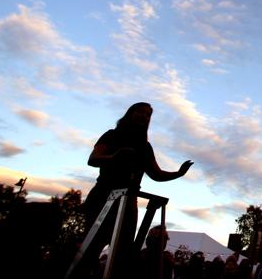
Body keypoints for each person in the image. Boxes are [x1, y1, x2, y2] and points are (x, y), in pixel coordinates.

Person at [77, 102, 193, 277]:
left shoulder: (145, 147)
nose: (144, 117)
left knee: (122, 251)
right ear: (130, 113)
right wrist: (114, 158)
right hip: (104, 195)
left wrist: (178, 173)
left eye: (148, 115)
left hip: (129, 199)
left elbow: (156, 174)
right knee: (91, 247)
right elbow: (93, 159)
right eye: (141, 112)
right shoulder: (112, 135)